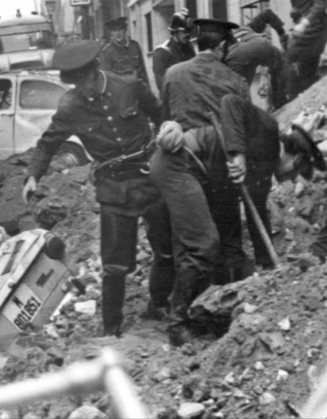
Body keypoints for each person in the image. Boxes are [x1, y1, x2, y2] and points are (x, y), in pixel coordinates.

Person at [22, 40, 169, 337]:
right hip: (113, 187)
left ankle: (159, 304)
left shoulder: (129, 85)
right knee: (115, 265)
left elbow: (159, 114)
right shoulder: (70, 106)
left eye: (85, 82)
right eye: (75, 85)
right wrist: (33, 176)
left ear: (94, 71)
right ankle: (111, 328)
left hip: (150, 178)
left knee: (166, 250)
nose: (83, 91)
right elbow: (47, 143)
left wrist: (168, 138)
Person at [153, 94, 324, 345]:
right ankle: (177, 325)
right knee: (204, 244)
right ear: (297, 159)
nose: (288, 181)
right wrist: (238, 155)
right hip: (179, 164)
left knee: (232, 251)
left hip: (206, 181)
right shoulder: (267, 127)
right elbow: (230, 102)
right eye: (295, 174)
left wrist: (268, 267)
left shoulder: (264, 175)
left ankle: (213, 317)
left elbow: (258, 216)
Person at [154, 18, 253, 345]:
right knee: (220, 239)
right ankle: (183, 320)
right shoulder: (238, 83)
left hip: (189, 157)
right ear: (223, 47)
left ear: (197, 44)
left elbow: (168, 117)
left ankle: (206, 314)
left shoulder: (173, 74)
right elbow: (243, 131)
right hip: (208, 164)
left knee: (193, 242)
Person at [278, 0, 327, 99]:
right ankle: (306, 104)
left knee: (289, 61)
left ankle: (290, 102)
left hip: (313, 31)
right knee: (306, 74)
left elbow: (321, 3)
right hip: (306, 31)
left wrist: (304, 23)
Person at [224, 18, 291, 110]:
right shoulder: (247, 27)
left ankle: (245, 114)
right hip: (262, 44)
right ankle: (280, 102)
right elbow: (266, 14)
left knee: (238, 90)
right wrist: (281, 32)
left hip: (239, 54)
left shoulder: (222, 41)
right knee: (279, 69)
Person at [152, 9, 196, 95]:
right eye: (184, 32)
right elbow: (162, 85)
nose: (187, 35)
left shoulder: (189, 48)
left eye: (189, 32)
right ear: (175, 32)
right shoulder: (163, 52)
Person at [99, 16, 150, 88]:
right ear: (111, 33)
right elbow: (106, 77)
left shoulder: (134, 46)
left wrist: (147, 88)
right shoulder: (107, 51)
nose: (118, 33)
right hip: (119, 91)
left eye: (120, 29)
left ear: (124, 30)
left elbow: (143, 71)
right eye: (114, 30)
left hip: (137, 88)